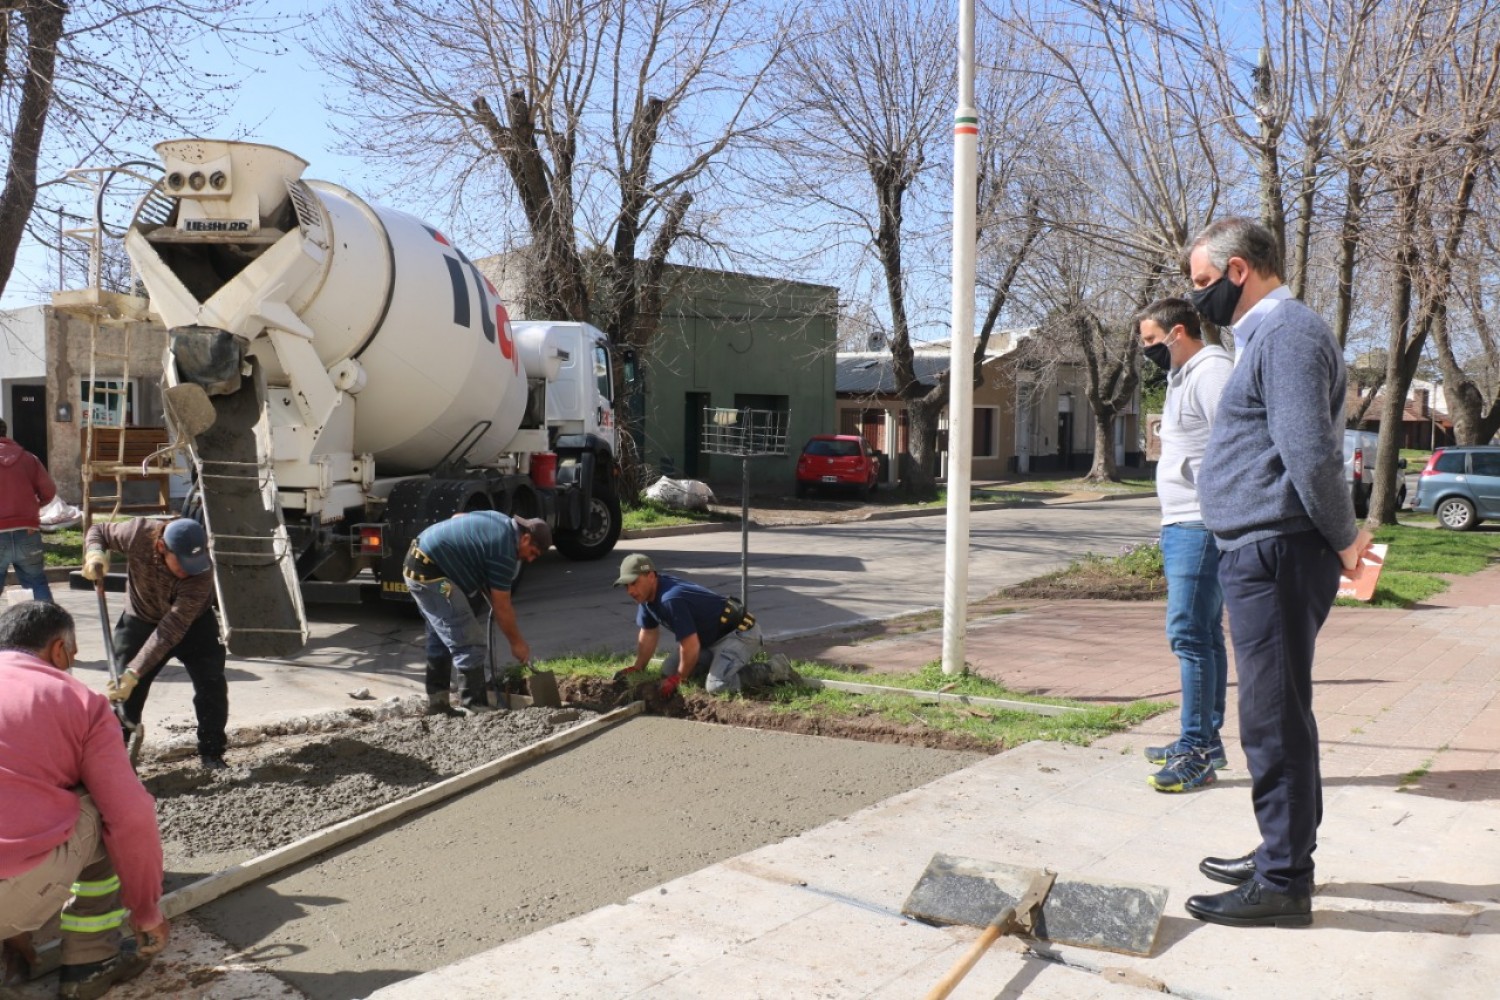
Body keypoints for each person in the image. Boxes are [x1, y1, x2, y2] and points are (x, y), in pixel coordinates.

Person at [1184, 217, 1372, 929]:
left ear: (1238, 271)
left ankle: (1285, 880)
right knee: (1283, 710)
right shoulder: (1267, 337)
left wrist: (1348, 543)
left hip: (1277, 552)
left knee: (1270, 719)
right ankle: (1280, 849)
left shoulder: (1287, 334)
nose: (1194, 297)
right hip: (1264, 551)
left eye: (1202, 282)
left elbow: (1312, 456)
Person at [0, 602, 170, 1000]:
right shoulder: (77, 700)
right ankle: (90, 962)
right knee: (104, 811)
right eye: (72, 657)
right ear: (59, 649)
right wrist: (147, 912)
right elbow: (131, 817)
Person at [1136, 298, 1234, 793]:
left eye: (1151, 341)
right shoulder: (1183, 373)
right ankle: (1205, 739)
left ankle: (1196, 750)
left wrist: (1214, 506)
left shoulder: (1211, 370)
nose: (1146, 351)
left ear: (1178, 332)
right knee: (1205, 634)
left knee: (1188, 635)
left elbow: (1236, 441)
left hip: (1200, 522)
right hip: (1185, 520)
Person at [82, 517, 228, 771]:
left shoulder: (202, 573)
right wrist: (94, 553)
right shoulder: (138, 533)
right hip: (140, 619)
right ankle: (116, 762)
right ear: (162, 547)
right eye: (182, 563)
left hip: (193, 624)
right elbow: (99, 530)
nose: (188, 570)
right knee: (125, 695)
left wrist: (135, 670)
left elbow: (170, 630)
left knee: (211, 685)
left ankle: (212, 753)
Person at [403, 512, 551, 716]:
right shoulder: (505, 551)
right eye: (532, 552)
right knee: (470, 643)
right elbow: (502, 606)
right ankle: (476, 707)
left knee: (442, 635)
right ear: (525, 538)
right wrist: (517, 643)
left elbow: (457, 518)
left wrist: (473, 563)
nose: (530, 559)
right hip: (431, 575)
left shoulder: (500, 520)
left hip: (418, 559)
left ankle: (438, 705)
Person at [612, 553, 792, 698]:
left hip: (739, 635)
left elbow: (689, 645)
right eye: (626, 586)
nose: (630, 591)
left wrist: (680, 679)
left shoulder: (670, 599)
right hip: (708, 640)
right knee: (668, 670)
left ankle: (775, 668)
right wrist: (639, 666)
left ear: (651, 576)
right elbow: (649, 632)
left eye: (634, 583)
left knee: (717, 687)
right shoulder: (646, 597)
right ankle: (718, 665)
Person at [0, 417, 58, 602]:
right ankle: (48, 629)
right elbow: (49, 491)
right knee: (36, 583)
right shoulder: (29, 459)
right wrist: (31, 510)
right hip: (28, 531)